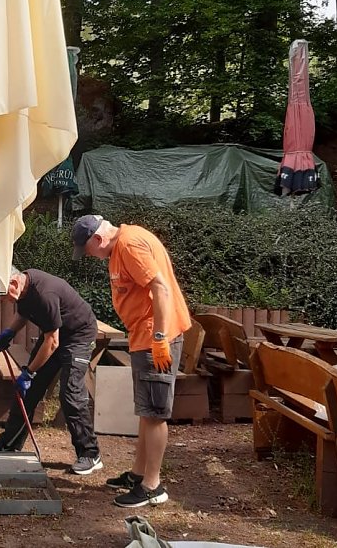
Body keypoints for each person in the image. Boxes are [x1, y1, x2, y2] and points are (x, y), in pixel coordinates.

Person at [72, 214, 191, 508]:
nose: (90, 256)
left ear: (98, 239)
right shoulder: (122, 244)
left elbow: (160, 288)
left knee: (154, 413)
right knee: (146, 410)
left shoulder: (129, 245)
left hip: (155, 338)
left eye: (88, 250)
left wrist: (161, 338)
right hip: (144, 336)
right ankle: (139, 474)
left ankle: (153, 485)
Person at [0, 269, 103, 476]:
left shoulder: (45, 294)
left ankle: (90, 453)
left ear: (14, 284)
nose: (7, 301)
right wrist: (11, 331)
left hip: (78, 336)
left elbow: (52, 342)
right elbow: (24, 312)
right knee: (28, 392)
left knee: (70, 394)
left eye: (5, 296)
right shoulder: (25, 289)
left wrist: (29, 372)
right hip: (54, 335)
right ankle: (9, 444)